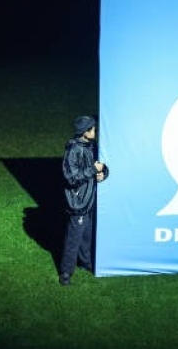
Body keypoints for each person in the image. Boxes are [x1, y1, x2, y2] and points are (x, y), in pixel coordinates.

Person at [59, 115, 108, 286]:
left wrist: (102, 174)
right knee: (74, 239)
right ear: (84, 132)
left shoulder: (91, 146)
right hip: (78, 203)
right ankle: (66, 272)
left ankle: (85, 262)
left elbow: (101, 165)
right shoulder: (73, 150)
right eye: (93, 129)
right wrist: (93, 170)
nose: (95, 131)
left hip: (89, 200)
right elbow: (71, 178)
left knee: (87, 235)